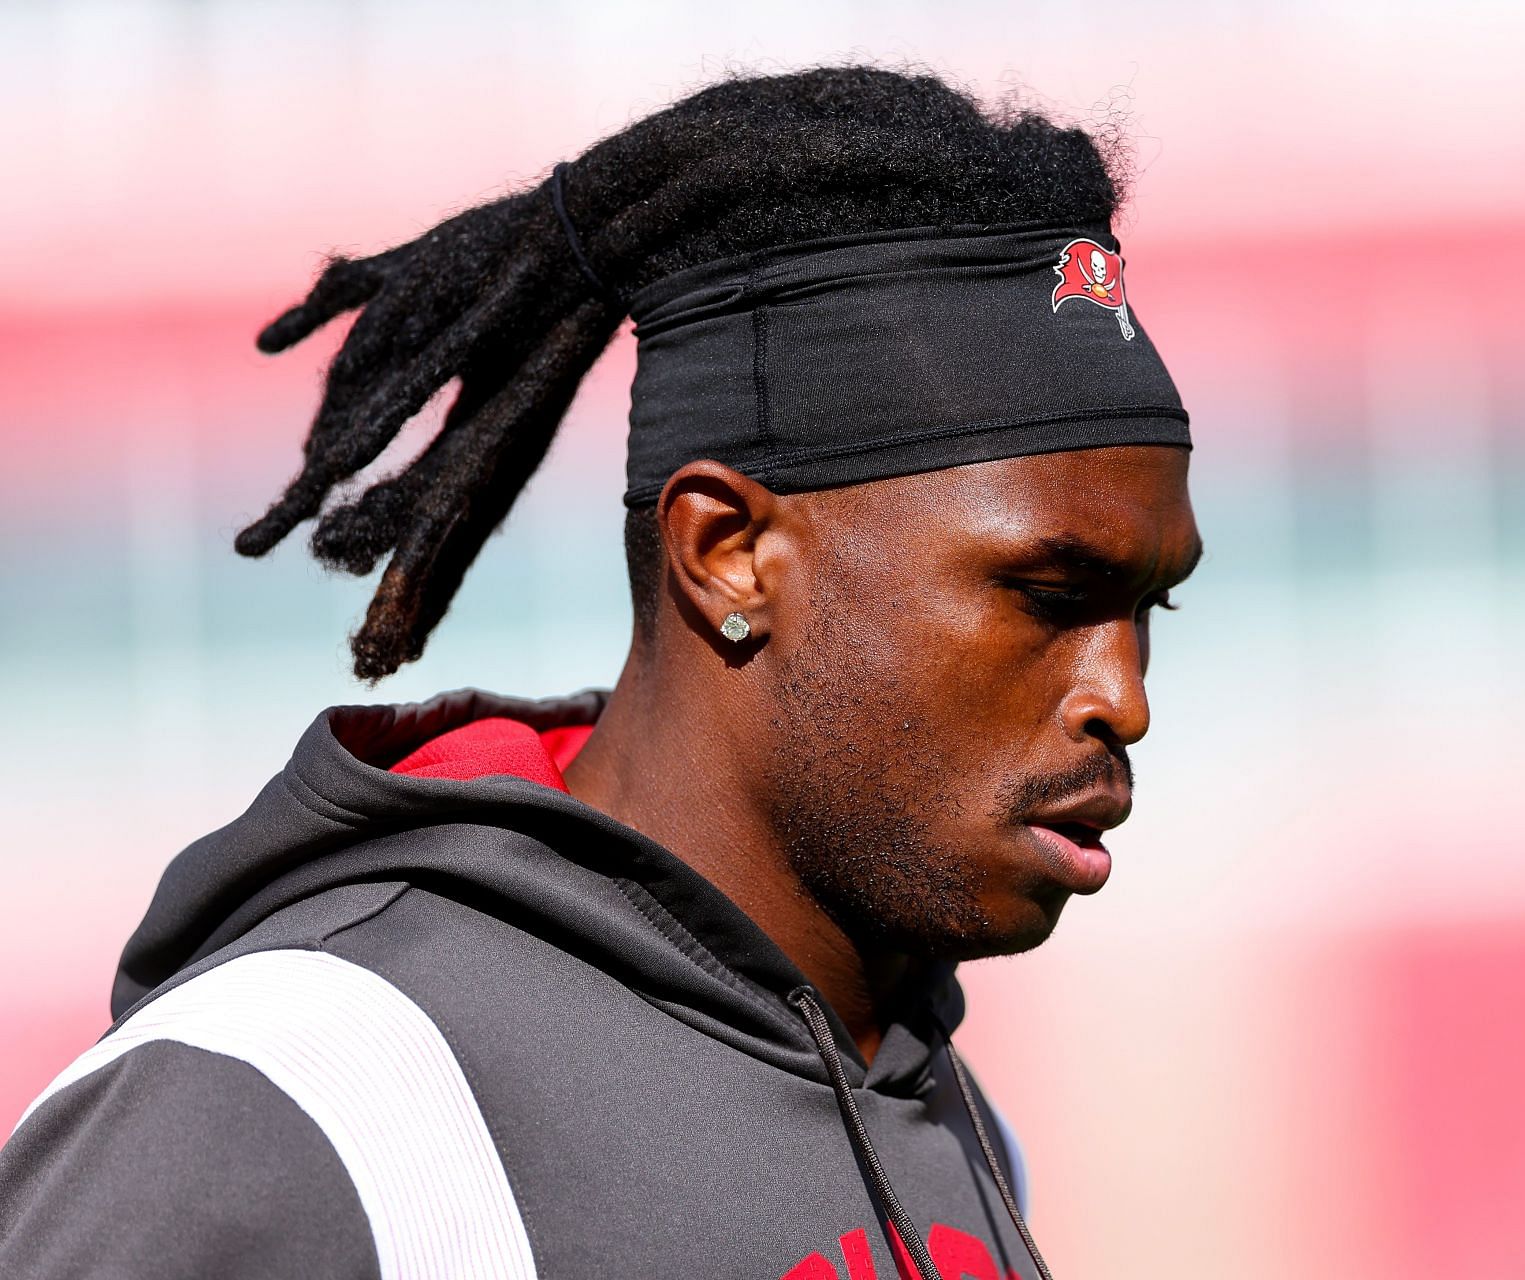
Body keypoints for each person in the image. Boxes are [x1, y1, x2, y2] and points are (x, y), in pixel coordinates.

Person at [0, 65, 1200, 1280]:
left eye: (1151, 605)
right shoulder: (298, 1093)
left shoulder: (946, 1110)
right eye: (1052, 597)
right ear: (727, 555)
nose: (1126, 697)